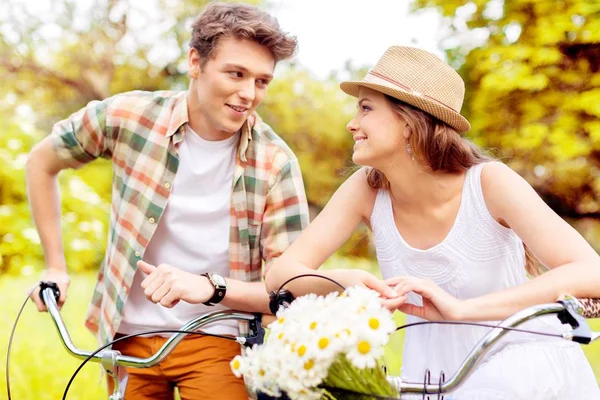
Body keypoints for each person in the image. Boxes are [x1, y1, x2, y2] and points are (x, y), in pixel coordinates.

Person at [264, 46, 600, 399]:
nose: (352, 123)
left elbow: (591, 271)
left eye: (366, 108)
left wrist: (464, 310)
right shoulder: (367, 187)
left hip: (520, 366)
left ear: (408, 122)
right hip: (432, 380)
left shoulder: (488, 183)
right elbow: (280, 274)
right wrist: (346, 281)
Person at [26, 3, 309, 399]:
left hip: (219, 336)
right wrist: (55, 266)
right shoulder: (129, 116)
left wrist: (209, 287)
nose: (248, 94)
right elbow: (41, 161)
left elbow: (289, 292)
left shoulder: (275, 163)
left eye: (262, 81)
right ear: (195, 62)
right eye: (236, 73)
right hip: (127, 337)